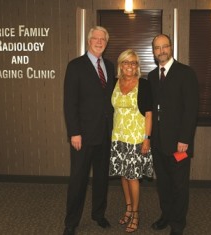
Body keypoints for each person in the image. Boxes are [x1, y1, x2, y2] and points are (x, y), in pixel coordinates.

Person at [63, 26, 115, 235]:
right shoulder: (75, 66)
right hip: (82, 137)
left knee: (102, 178)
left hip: (105, 134)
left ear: (106, 42)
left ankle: (99, 214)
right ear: (88, 40)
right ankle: (71, 222)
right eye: (95, 38)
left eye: (103, 38)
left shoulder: (110, 67)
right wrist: (74, 132)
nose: (99, 41)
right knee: (78, 180)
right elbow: (69, 103)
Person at [148, 34, 199, 235]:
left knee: (179, 185)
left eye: (164, 46)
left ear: (171, 48)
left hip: (179, 144)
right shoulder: (152, 76)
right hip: (158, 143)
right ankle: (166, 215)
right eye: (157, 48)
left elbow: (191, 110)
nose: (161, 51)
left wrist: (185, 139)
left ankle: (178, 224)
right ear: (153, 52)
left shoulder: (186, 73)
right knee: (163, 184)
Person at [109, 49, 153, 233]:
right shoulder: (114, 82)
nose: (130, 66)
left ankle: (135, 213)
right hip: (118, 138)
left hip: (136, 138)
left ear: (137, 66)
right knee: (123, 175)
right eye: (126, 62)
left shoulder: (143, 84)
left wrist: (146, 139)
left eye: (133, 63)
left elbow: (149, 114)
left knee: (133, 177)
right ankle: (128, 207)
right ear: (121, 65)